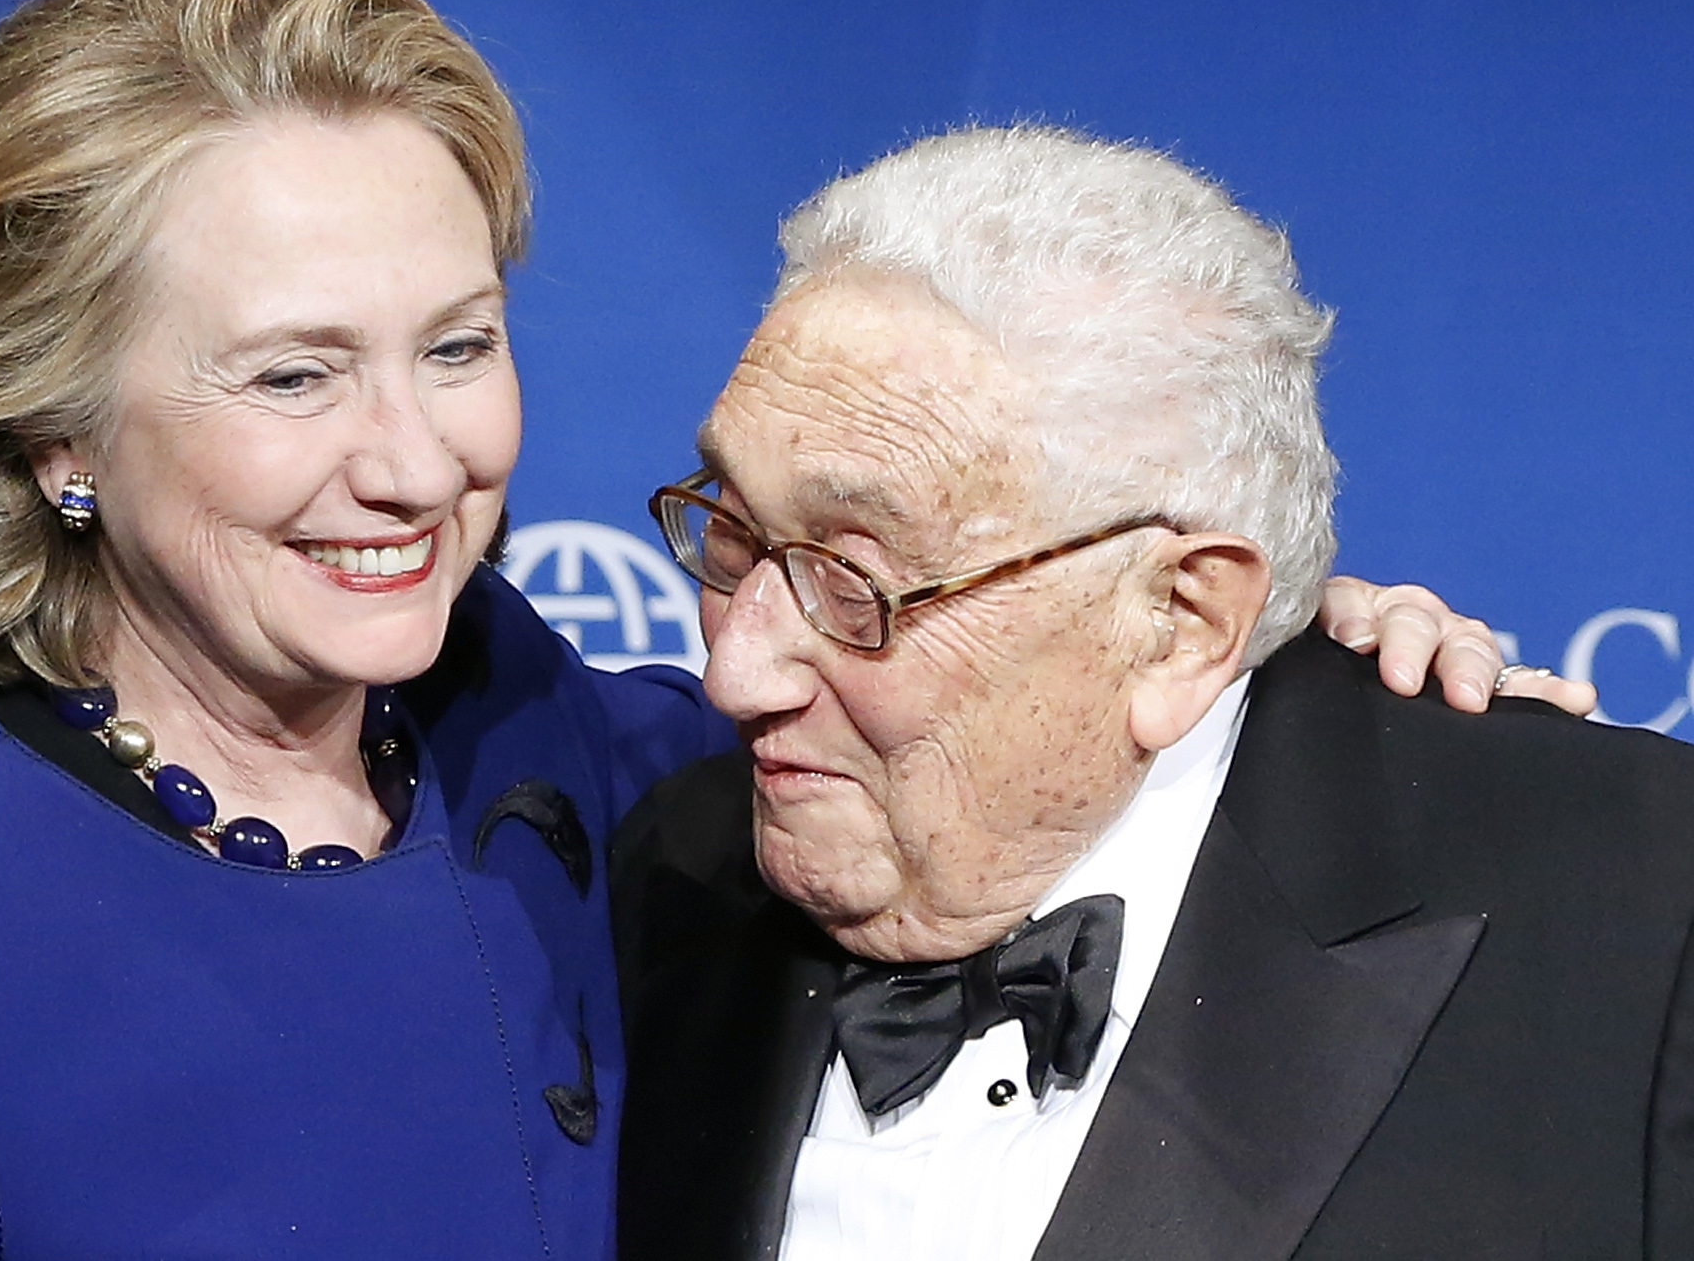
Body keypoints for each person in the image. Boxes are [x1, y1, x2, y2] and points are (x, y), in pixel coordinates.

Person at [0, 0, 1559, 1260]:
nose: (416, 462)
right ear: (49, 425)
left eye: (453, 341)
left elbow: (956, 713)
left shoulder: (543, 735)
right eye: (289, 373)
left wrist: (1261, 646)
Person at [611, 125, 1694, 1259]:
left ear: (1180, 622)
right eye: (733, 537)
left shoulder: (1638, 919)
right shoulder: (657, 878)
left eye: (854, 580)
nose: (735, 671)